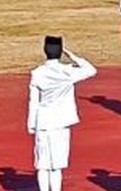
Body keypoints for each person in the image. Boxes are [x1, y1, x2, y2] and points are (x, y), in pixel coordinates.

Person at [27, 36, 96, 191]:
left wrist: (31, 125)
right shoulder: (67, 71)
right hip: (61, 122)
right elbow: (91, 70)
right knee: (56, 166)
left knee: (42, 164)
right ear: (60, 52)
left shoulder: (37, 73)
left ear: (45, 51)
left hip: (43, 122)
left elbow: (34, 101)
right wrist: (71, 55)